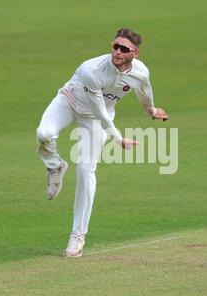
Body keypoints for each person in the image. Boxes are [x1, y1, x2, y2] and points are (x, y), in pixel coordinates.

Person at [36, 28, 169, 257]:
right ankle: (54, 165)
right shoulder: (92, 70)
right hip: (69, 101)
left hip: (96, 120)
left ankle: (77, 236)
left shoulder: (141, 73)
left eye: (124, 49)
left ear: (135, 52)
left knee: (86, 170)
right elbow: (99, 110)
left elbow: (144, 92)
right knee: (44, 133)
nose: (117, 51)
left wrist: (152, 111)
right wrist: (117, 138)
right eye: (115, 46)